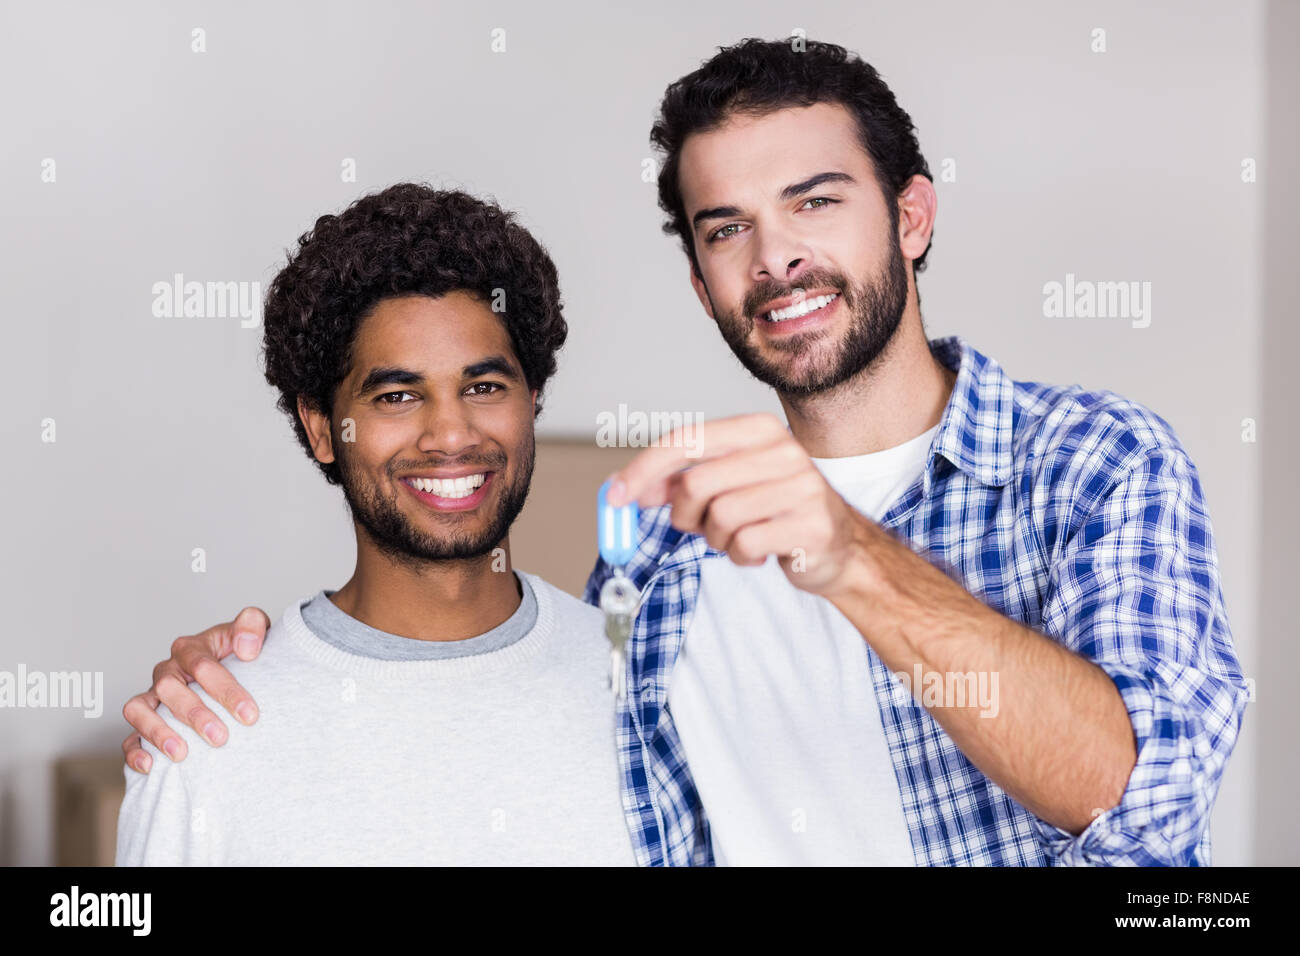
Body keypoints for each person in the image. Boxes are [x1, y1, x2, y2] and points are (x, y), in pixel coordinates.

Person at [120, 38, 1249, 866]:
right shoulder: (654, 550)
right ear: (700, 276)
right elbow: (503, 694)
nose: (775, 258)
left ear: (909, 217)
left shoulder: (1094, 463)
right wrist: (256, 667)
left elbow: (1142, 801)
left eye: (813, 202)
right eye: (726, 229)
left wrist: (849, 553)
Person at [116, 184, 635, 865]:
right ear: (322, 428)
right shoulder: (207, 729)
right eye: (397, 396)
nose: (451, 434)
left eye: (484, 387)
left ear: (531, 402)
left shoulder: (646, 689)